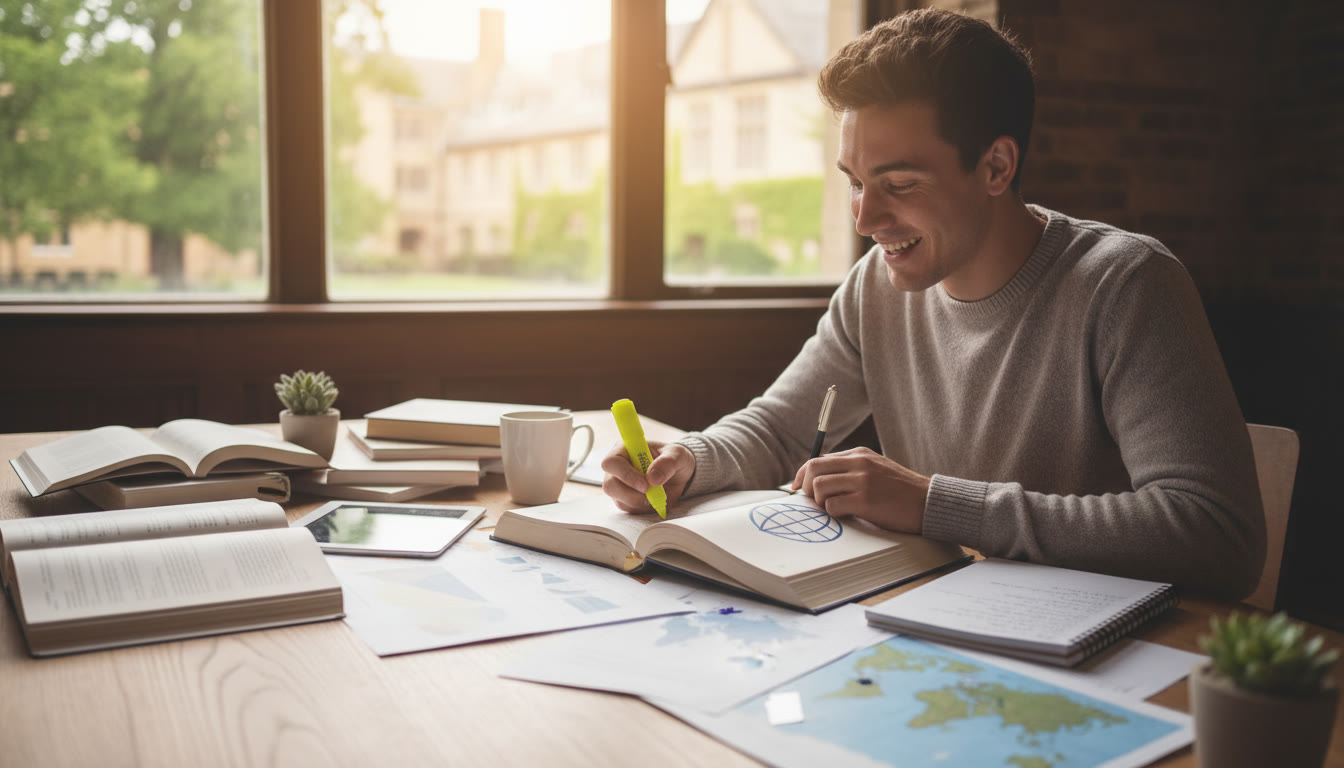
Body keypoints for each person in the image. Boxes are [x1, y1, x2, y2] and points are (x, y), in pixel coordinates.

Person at [601, 8, 1264, 599]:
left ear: (996, 168)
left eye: (899, 183)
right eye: (855, 182)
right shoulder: (875, 288)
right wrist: (691, 460)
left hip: (1108, 654)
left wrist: (934, 504)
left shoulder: (1125, 285)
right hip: (940, 621)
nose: (866, 218)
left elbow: (1217, 536)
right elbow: (781, 429)